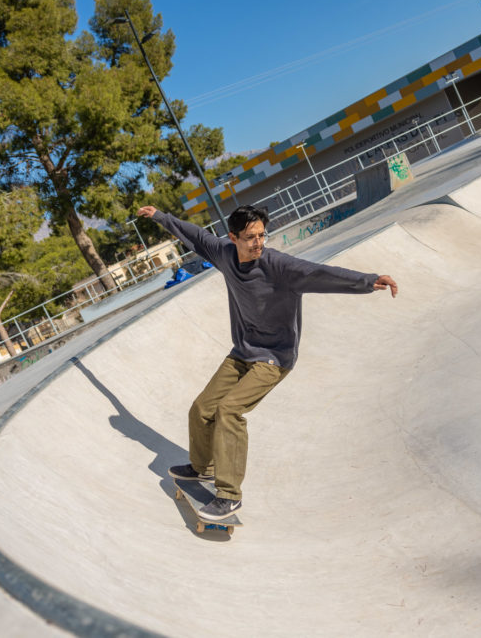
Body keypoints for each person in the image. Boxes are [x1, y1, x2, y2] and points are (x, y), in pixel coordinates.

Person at [137, 204, 398, 521]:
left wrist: (368, 281)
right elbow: (195, 236)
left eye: (262, 235)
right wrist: (161, 217)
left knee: (229, 410)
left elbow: (320, 273)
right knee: (202, 408)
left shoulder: (279, 266)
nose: (258, 243)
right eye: (250, 237)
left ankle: (229, 496)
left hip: (275, 357)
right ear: (233, 238)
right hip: (243, 351)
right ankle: (203, 467)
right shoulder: (223, 253)